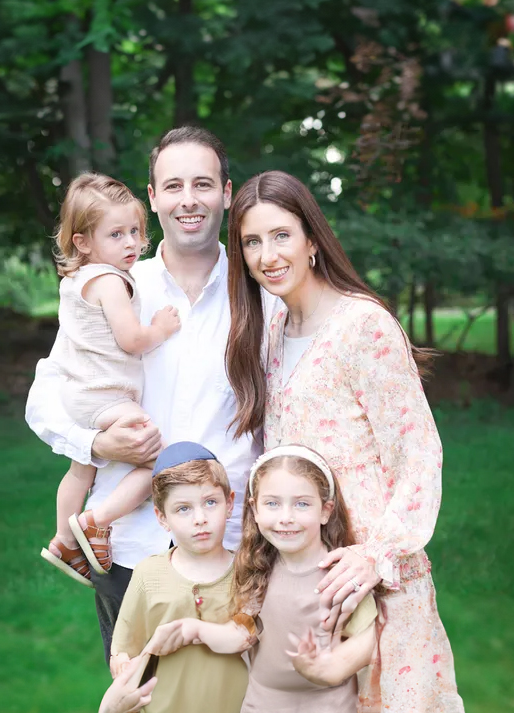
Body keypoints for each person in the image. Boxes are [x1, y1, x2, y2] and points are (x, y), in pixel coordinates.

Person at [223, 170, 464, 711]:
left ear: (312, 239)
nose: (268, 255)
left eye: (281, 235)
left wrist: (377, 556)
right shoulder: (272, 333)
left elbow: (419, 453)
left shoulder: (364, 327)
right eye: (252, 241)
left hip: (374, 582)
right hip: (309, 582)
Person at [25, 126, 256, 660]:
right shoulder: (117, 284)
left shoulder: (260, 292)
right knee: (139, 697)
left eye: (203, 183)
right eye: (172, 186)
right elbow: (47, 396)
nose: (188, 199)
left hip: (233, 543)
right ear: (152, 199)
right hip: (128, 545)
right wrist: (96, 447)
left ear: (226, 191)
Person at [140, 445, 380, 712]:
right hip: (262, 703)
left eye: (302, 504)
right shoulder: (258, 568)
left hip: (327, 704)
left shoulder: (340, 573)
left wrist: (329, 668)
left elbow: (368, 638)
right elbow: (242, 635)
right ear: (255, 509)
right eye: (272, 504)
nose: (286, 518)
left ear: (325, 510)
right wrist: (195, 630)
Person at [39, 173, 183, 585]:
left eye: (135, 232)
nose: (131, 243)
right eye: (116, 234)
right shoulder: (111, 281)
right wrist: (159, 327)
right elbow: (131, 339)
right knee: (158, 457)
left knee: (81, 470)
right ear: (83, 242)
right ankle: (95, 522)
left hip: (79, 395)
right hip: (106, 396)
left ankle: (64, 539)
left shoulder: (74, 281)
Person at [106, 442, 248, 713]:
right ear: (162, 517)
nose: (200, 518)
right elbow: (125, 649)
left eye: (210, 503)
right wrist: (122, 662)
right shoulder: (149, 574)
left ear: (229, 504)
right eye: (183, 509)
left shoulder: (248, 572)